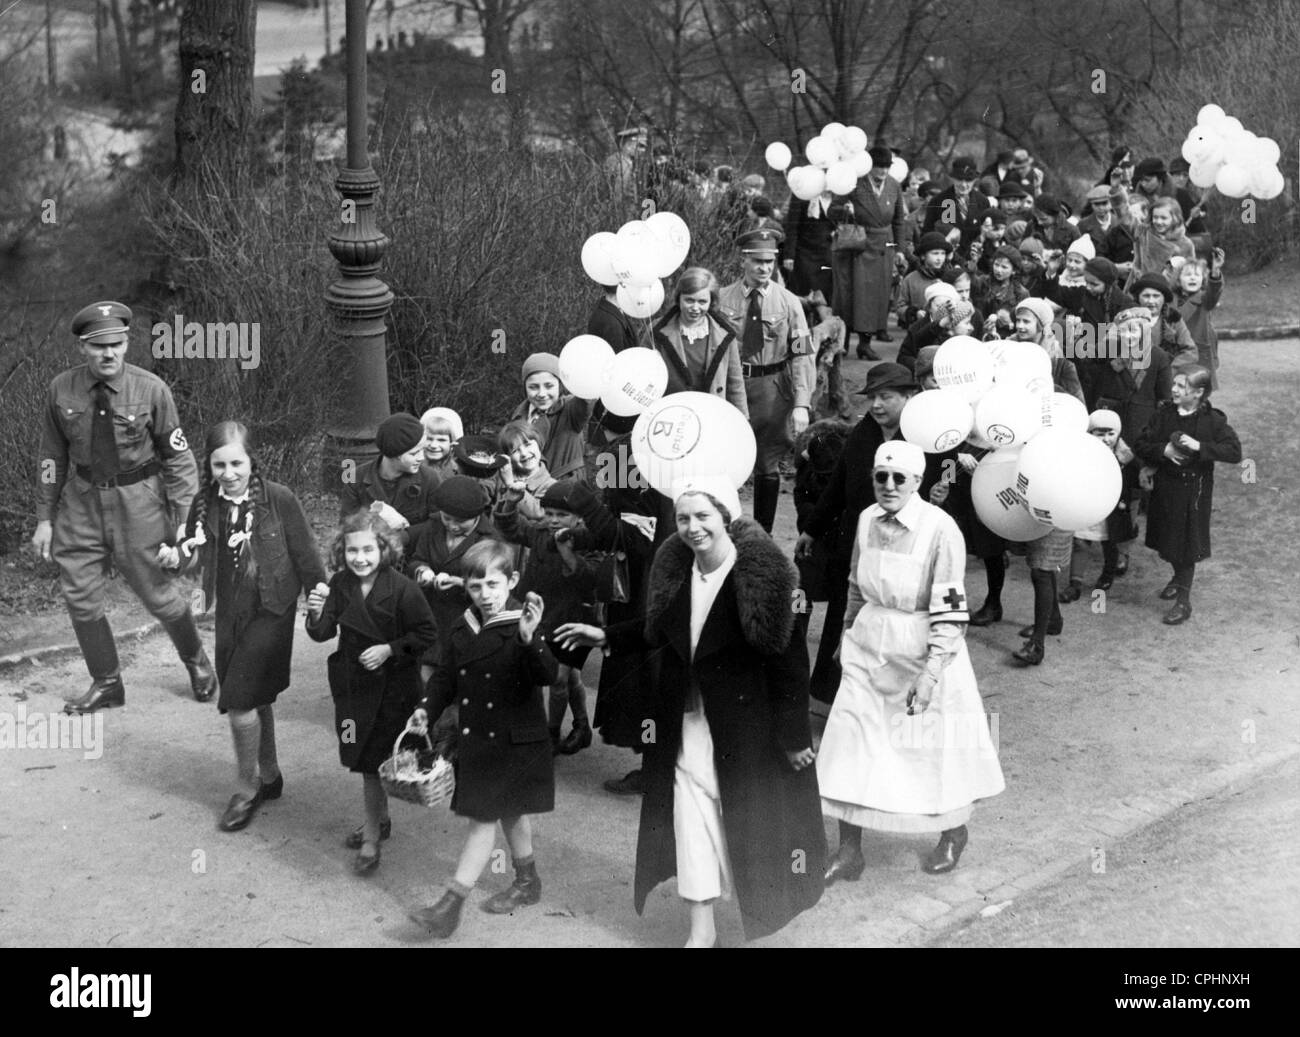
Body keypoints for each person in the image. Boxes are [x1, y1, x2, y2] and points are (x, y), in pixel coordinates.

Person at [555, 477, 826, 946]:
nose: (692, 527)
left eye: (703, 516)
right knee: (688, 824)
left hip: (744, 730)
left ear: (726, 518)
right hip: (684, 722)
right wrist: (607, 637)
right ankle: (701, 933)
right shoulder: (680, 571)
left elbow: (789, 667)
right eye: (683, 518)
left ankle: (760, 909)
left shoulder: (760, 580)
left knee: (746, 823)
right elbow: (663, 628)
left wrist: (795, 736)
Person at [818, 441, 1005, 880]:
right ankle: (849, 851)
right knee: (852, 744)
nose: (888, 485)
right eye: (880, 477)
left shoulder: (941, 529)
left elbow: (951, 609)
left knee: (927, 751)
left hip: (921, 652)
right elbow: (855, 585)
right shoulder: (865, 519)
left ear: (917, 482)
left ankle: (951, 833)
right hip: (868, 647)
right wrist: (846, 635)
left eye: (899, 477)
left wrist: (932, 672)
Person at [32, 300, 214, 713]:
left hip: (139, 504)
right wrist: (45, 518)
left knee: (160, 594)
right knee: (79, 595)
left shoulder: (151, 389)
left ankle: (197, 661)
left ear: (127, 343)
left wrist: (186, 523)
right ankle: (107, 683)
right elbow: (50, 458)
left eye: (116, 344)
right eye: (98, 346)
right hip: (82, 503)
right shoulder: (61, 389)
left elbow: (180, 460)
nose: (108, 353)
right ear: (83, 347)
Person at [170, 421, 327, 831]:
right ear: (209, 465)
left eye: (236, 462)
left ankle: (246, 789)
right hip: (231, 615)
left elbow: (307, 554)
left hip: (272, 612)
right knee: (257, 698)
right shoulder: (205, 503)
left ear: (251, 460)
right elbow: (194, 557)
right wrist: (178, 557)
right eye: (219, 464)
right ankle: (271, 775)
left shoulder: (279, 499)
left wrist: (320, 600)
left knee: (238, 699)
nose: (229, 472)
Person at [408, 541, 557, 939]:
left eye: (494, 584)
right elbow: (444, 678)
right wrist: (427, 708)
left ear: (512, 580)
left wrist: (530, 639)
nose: (486, 595)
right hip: (479, 741)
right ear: (465, 587)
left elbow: (547, 674)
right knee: (510, 812)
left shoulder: (522, 624)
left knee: (482, 820)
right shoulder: (461, 627)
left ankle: (450, 906)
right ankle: (528, 881)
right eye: (476, 587)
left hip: (515, 742)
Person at [795, 364, 943, 702]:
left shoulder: (925, 437)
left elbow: (940, 489)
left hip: (903, 547)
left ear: (909, 397)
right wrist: (812, 530)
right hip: (855, 542)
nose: (876, 405)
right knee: (843, 614)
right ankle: (831, 692)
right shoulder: (863, 433)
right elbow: (836, 487)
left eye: (886, 397)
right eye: (872, 397)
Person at [305, 511, 439, 874]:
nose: (359, 558)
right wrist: (315, 614)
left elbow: (427, 635)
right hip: (354, 685)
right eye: (352, 551)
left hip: (394, 689)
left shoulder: (403, 588)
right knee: (363, 758)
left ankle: (371, 839)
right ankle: (378, 822)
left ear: (384, 549)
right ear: (341, 551)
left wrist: (389, 649)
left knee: (374, 764)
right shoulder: (340, 585)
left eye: (368, 550)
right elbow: (322, 633)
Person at [494, 478, 617, 755]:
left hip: (574, 619)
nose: (554, 520)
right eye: (549, 514)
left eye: (562, 515)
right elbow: (510, 527)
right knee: (569, 677)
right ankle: (582, 727)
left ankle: (550, 734)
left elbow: (592, 581)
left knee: (558, 679)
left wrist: (567, 551)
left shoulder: (590, 540)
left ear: (579, 518)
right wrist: (511, 502)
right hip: (542, 615)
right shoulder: (539, 534)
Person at [717, 227, 814, 533]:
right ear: (743, 260)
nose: (763, 268)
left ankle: (763, 533)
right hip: (733, 388)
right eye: (757, 261)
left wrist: (802, 403)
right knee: (726, 461)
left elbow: (802, 355)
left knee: (767, 461)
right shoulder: (721, 299)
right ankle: (725, 529)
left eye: (769, 262)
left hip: (773, 388)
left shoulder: (789, 303)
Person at [1008, 298, 1085, 666]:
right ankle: (1052, 618)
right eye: (1017, 320)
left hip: (1054, 466)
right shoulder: (1006, 361)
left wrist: (1045, 392)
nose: (1020, 327)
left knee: (1042, 564)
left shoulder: (1062, 364)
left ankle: (1037, 643)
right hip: (1018, 465)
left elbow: (1077, 409)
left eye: (1026, 321)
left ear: (1042, 326)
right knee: (1035, 557)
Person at [1134, 367, 1241, 625]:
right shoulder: (1164, 414)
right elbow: (1141, 444)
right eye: (1175, 384)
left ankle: (1184, 601)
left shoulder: (1212, 420)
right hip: (1166, 488)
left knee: (1186, 547)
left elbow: (1234, 451)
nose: (1173, 390)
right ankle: (1177, 578)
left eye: (1181, 387)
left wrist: (1200, 447)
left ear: (1198, 392)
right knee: (1166, 543)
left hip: (1194, 491)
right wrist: (1164, 451)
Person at [827, 144, 908, 355]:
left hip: (883, 247)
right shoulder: (854, 182)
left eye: (886, 167)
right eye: (878, 166)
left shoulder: (894, 185)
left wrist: (899, 249)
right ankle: (842, 343)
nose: (882, 171)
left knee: (876, 296)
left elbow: (899, 220)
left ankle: (865, 343)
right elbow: (831, 210)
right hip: (856, 247)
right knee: (849, 295)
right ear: (869, 166)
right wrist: (844, 209)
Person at [1058, 410, 1138, 601]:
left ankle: (1107, 574)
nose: (1106, 439)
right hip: (1087, 504)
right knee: (1080, 541)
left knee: (1110, 542)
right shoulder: (1081, 453)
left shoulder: (1125, 457)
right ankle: (1075, 583)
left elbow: (1135, 482)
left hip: (1112, 508)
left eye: (1111, 434)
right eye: (1100, 434)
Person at [652, 267, 749, 413]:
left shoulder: (724, 334)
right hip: (669, 416)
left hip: (710, 415)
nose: (695, 308)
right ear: (679, 298)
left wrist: (742, 421)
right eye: (689, 300)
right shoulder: (658, 330)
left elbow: (735, 384)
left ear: (711, 302)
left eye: (702, 302)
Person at [338, 411, 436, 556]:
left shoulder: (429, 478)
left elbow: (438, 524)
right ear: (394, 454)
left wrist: (405, 536)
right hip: (369, 557)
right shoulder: (354, 477)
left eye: (422, 450)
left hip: (414, 558)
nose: (422, 457)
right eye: (414, 453)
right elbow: (346, 525)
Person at [511, 353, 592, 483]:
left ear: (559, 385)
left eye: (549, 386)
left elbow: (586, 399)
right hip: (531, 488)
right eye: (533, 387)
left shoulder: (571, 408)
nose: (542, 394)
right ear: (525, 388)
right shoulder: (520, 415)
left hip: (566, 486)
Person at [1171, 250, 1226, 387]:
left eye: (1197, 275)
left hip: (1198, 352)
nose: (1192, 278)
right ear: (1178, 280)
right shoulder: (1171, 299)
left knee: (1197, 389)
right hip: (1177, 352)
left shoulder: (1204, 299)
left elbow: (1214, 292)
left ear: (1203, 279)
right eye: (1188, 275)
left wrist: (1215, 270)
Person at [781, 182, 836, 302]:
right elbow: (792, 226)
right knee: (804, 292)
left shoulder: (838, 194)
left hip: (827, 252)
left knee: (825, 292)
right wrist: (789, 256)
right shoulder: (801, 193)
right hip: (804, 253)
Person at [493, 421, 556, 525]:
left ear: (539, 444)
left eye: (528, 445)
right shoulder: (504, 477)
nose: (524, 453)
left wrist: (511, 485)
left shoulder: (551, 485)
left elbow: (540, 513)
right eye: (515, 451)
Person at [1128, 197, 1196, 287]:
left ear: (1175, 218)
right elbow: (1137, 260)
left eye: (1164, 218)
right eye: (1155, 217)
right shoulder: (1143, 232)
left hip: (1167, 291)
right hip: (1139, 286)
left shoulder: (1186, 244)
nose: (1159, 222)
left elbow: (1189, 272)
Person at [419, 407, 462, 490]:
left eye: (441, 440)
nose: (434, 445)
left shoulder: (459, 471)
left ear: (452, 443)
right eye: (429, 438)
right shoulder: (412, 466)